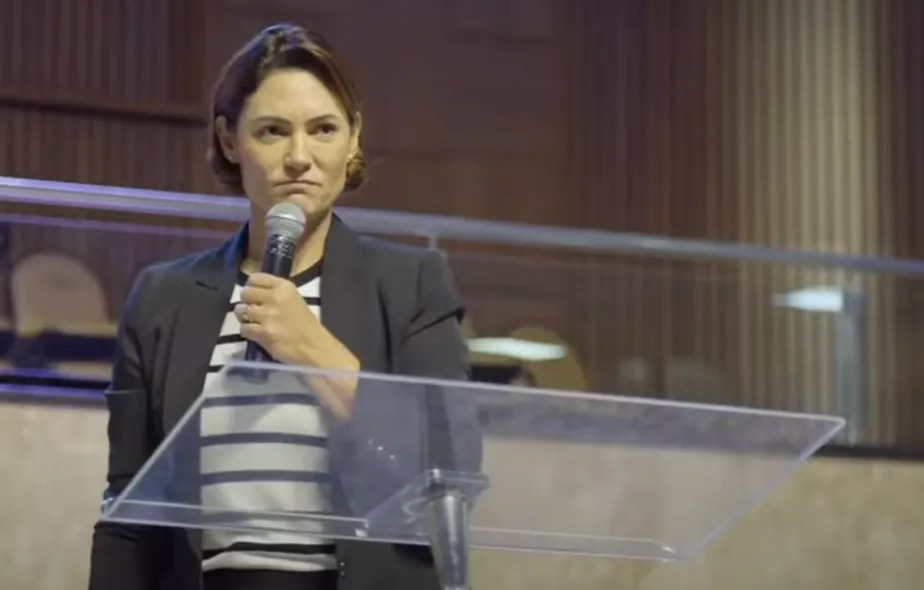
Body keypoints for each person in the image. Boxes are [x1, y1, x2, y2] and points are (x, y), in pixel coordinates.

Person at [89, 23, 480, 590]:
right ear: (230, 141)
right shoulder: (162, 298)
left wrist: (311, 348)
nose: (300, 157)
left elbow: (451, 465)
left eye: (323, 129)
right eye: (273, 131)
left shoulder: (412, 284)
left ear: (353, 139)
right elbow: (127, 508)